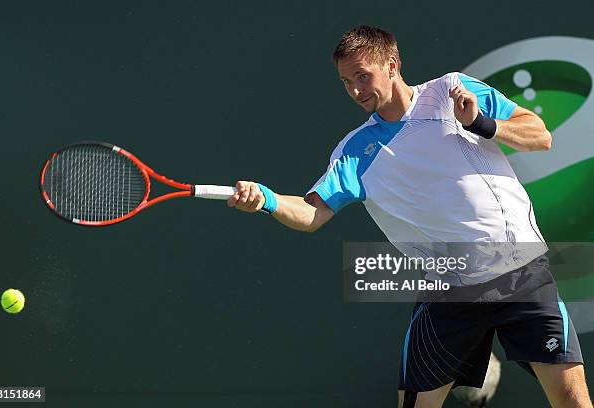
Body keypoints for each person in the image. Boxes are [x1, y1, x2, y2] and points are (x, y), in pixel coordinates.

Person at [227, 25, 592, 408]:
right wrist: (266, 199)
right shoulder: (355, 152)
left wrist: (480, 124)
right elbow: (312, 214)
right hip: (450, 291)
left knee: (572, 400)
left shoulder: (450, 91)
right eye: (346, 82)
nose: (355, 90)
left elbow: (540, 134)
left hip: (523, 274)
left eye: (363, 76)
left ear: (392, 65)